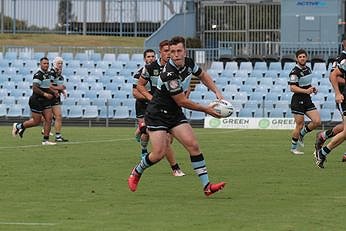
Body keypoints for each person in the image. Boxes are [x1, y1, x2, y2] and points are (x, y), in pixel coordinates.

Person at [128, 36, 226, 196]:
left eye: (178, 51)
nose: (175, 54)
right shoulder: (169, 73)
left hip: (174, 113)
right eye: (172, 52)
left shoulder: (188, 63)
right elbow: (182, 101)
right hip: (157, 114)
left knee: (193, 145)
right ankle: (137, 171)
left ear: (184, 51)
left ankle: (207, 187)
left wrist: (216, 91)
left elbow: (202, 75)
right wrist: (207, 110)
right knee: (159, 153)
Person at [135, 41, 186, 177]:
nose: (170, 54)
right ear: (161, 52)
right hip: (154, 108)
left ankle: (143, 128)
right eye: (166, 51)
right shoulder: (149, 68)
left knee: (169, 140)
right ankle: (175, 168)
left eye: (172, 51)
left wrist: (183, 99)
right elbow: (137, 88)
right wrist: (150, 98)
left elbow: (185, 86)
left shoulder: (178, 68)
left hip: (171, 108)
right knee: (165, 140)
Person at [12, 57, 57, 145]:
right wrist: (45, 94)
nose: (46, 65)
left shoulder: (47, 74)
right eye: (44, 63)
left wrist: (53, 92)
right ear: (40, 64)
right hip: (36, 100)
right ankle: (18, 126)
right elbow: (35, 88)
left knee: (49, 119)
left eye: (47, 63)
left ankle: (45, 140)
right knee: (36, 121)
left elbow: (46, 87)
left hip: (45, 101)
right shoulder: (38, 74)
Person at [315, 38, 346, 161]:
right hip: (343, 97)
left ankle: (323, 136)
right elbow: (333, 76)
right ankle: (323, 151)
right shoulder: (341, 59)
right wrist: (338, 93)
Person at [288, 49, 321, 155]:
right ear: (297, 59)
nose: (302, 58)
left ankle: (302, 134)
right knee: (299, 124)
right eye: (300, 57)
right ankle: (293, 148)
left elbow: (306, 84)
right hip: (297, 100)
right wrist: (306, 91)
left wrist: (312, 88)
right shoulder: (294, 72)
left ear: (306, 58)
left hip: (307, 99)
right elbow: (292, 88)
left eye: (304, 56)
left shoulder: (308, 69)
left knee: (317, 121)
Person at [46, 56, 68, 142]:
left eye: (61, 63)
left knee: (58, 116)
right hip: (49, 97)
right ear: (54, 64)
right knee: (46, 118)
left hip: (55, 98)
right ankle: (20, 126)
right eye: (58, 63)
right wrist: (60, 88)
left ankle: (58, 136)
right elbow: (49, 85)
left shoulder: (60, 75)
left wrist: (62, 91)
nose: (60, 65)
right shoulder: (52, 73)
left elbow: (58, 86)